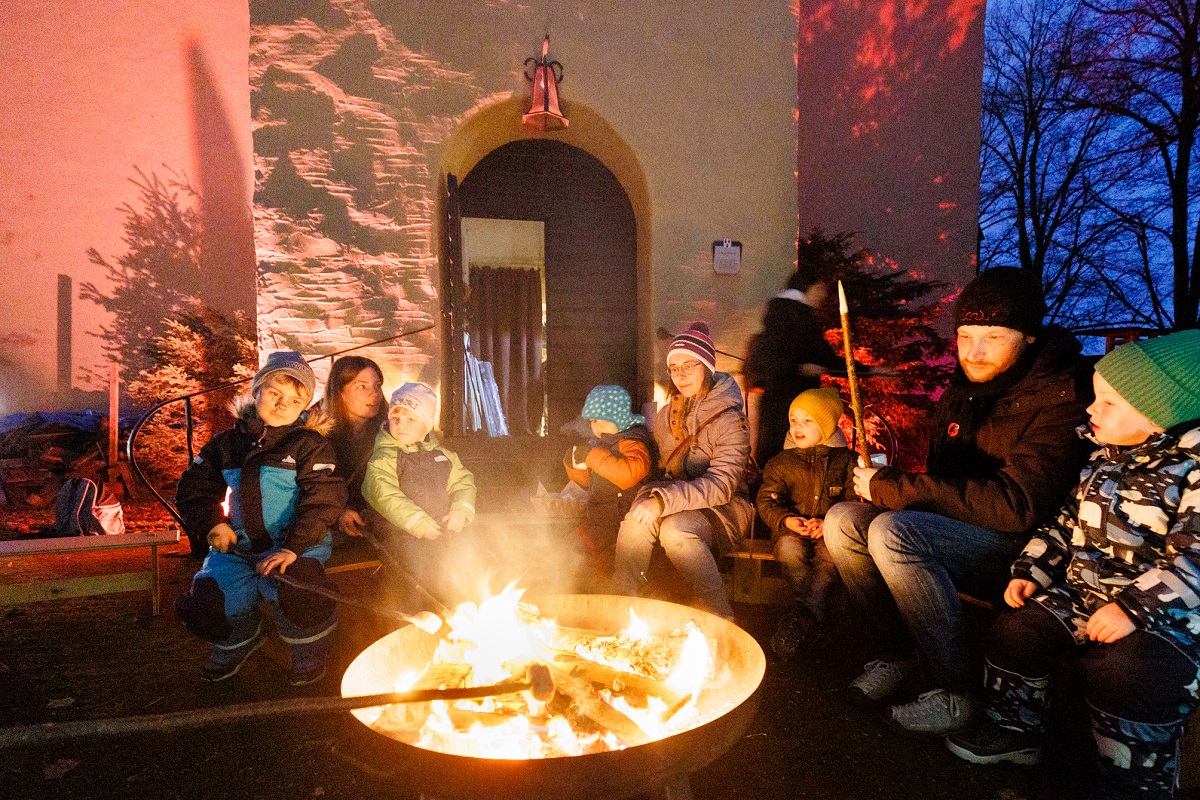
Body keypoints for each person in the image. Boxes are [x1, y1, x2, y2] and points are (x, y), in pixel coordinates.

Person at [822, 267, 1093, 734]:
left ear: (1029, 336)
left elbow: (1017, 505)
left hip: (1028, 546)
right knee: (844, 519)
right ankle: (897, 655)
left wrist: (896, 488)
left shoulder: (1062, 395)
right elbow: (945, 485)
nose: (974, 352)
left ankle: (957, 690)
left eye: (992, 337)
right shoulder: (962, 392)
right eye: (965, 336)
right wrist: (891, 491)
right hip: (966, 528)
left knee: (894, 532)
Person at [945, 330, 1200, 799]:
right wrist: (1032, 570)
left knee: (1129, 675)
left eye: (1107, 403)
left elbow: (1194, 560)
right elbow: (1064, 524)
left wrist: (1135, 611)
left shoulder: (1192, 468)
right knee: (1018, 630)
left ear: (1158, 413)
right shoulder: (1103, 459)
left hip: (1172, 620)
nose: (1090, 410)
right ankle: (1017, 730)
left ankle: (1135, 783)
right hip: (1085, 594)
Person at [174, 351, 348, 685]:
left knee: (301, 594)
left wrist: (294, 549)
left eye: (295, 400)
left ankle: (308, 651)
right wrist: (213, 524)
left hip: (298, 544)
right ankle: (239, 639)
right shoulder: (226, 445)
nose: (283, 405)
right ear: (256, 391)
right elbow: (195, 487)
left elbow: (322, 499)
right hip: (238, 545)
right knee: (209, 602)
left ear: (304, 407)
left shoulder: (309, 445)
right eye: (275, 394)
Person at [612, 322, 754, 619]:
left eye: (689, 365)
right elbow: (662, 470)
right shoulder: (667, 415)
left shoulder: (731, 420)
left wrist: (663, 502)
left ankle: (719, 616)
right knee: (636, 520)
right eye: (674, 368)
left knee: (677, 531)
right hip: (678, 500)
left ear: (706, 366)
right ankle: (622, 609)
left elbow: (722, 486)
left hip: (724, 508)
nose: (680, 375)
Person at [756, 388, 857, 661]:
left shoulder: (846, 462)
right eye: (793, 420)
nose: (798, 427)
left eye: (808, 420)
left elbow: (854, 501)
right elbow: (766, 501)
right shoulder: (781, 462)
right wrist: (787, 520)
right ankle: (818, 619)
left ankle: (800, 620)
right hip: (792, 530)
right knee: (789, 551)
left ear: (825, 424)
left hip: (831, 533)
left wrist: (829, 524)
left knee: (828, 557)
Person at [362, 382, 477, 605]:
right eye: (395, 418)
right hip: (402, 532)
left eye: (410, 419)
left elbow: (464, 483)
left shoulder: (444, 455)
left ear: (426, 425)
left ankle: (455, 611)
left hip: (441, 527)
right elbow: (383, 494)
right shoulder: (384, 458)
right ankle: (411, 616)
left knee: (459, 564)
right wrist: (417, 522)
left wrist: (460, 511)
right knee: (412, 572)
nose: (400, 424)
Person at [743, 268, 842, 467]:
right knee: (783, 458)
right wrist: (799, 368)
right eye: (820, 288)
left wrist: (868, 370)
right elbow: (771, 357)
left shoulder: (793, 314)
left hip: (787, 402)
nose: (823, 294)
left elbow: (825, 359)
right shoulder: (791, 315)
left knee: (780, 457)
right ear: (809, 288)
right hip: (785, 402)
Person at [563, 385, 659, 580]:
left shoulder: (633, 441)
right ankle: (582, 591)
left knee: (582, 554)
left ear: (619, 417)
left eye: (602, 421)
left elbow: (628, 475)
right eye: (592, 421)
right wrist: (573, 465)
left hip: (621, 520)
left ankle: (601, 593)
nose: (596, 427)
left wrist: (591, 457)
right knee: (568, 549)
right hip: (600, 519)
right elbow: (591, 483)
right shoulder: (603, 444)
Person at [319, 356, 388, 541]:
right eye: (362, 386)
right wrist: (339, 512)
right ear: (340, 392)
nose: (374, 394)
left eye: (377, 386)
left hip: (378, 524)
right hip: (331, 528)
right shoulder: (317, 438)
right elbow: (312, 487)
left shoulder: (390, 434)